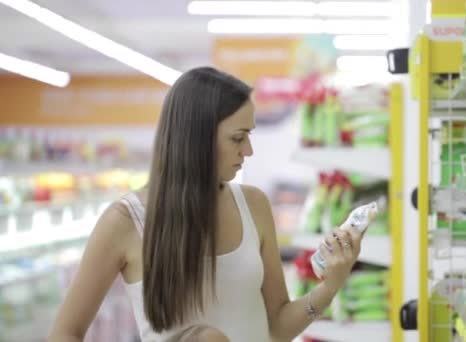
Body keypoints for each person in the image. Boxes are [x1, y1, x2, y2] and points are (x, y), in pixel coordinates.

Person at [48, 67, 364, 342]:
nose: (249, 150)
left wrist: (332, 283)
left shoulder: (253, 205)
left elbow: (278, 327)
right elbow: (66, 332)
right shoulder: (126, 221)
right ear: (197, 138)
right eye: (238, 138)